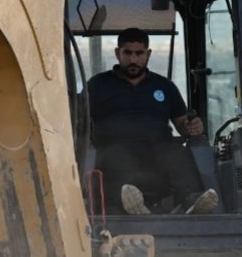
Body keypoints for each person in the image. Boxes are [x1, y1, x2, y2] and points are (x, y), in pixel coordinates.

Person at [87, 27, 217, 215]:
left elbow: (182, 125)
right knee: (117, 156)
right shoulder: (98, 85)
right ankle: (129, 207)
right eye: (128, 53)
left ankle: (191, 200)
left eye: (139, 54)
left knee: (177, 152)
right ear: (118, 53)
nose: (133, 60)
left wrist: (193, 127)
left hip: (157, 149)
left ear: (148, 54)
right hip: (113, 148)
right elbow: (78, 121)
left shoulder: (164, 86)